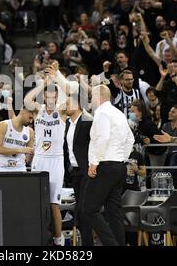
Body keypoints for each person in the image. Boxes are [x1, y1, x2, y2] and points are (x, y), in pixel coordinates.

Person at [83, 85, 135, 246]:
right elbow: (130, 139)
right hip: (119, 167)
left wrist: (94, 162)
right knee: (113, 212)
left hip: (105, 166)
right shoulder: (118, 113)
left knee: (89, 209)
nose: (90, 100)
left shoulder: (102, 113)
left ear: (99, 96)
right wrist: (121, 158)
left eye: (92, 97)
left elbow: (104, 137)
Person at [24, 75, 67, 246]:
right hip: (40, 159)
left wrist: (57, 79)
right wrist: (41, 85)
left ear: (57, 97)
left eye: (53, 96)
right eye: (47, 96)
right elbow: (27, 100)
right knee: (36, 201)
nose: (50, 99)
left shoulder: (62, 111)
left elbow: (74, 98)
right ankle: (37, 236)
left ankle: (59, 239)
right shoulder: (37, 109)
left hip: (56, 160)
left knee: (54, 204)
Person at [63, 96, 94, 246]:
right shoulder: (68, 123)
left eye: (68, 103)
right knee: (80, 211)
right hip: (74, 172)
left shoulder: (88, 120)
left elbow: (95, 143)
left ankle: (88, 244)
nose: (65, 105)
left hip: (87, 171)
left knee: (84, 210)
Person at [0, 107, 35, 172]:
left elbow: (28, 157)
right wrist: (19, 150)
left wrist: (31, 154)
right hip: (2, 167)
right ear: (24, 111)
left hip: (20, 167)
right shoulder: (4, 125)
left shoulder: (30, 131)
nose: (31, 121)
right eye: (30, 118)